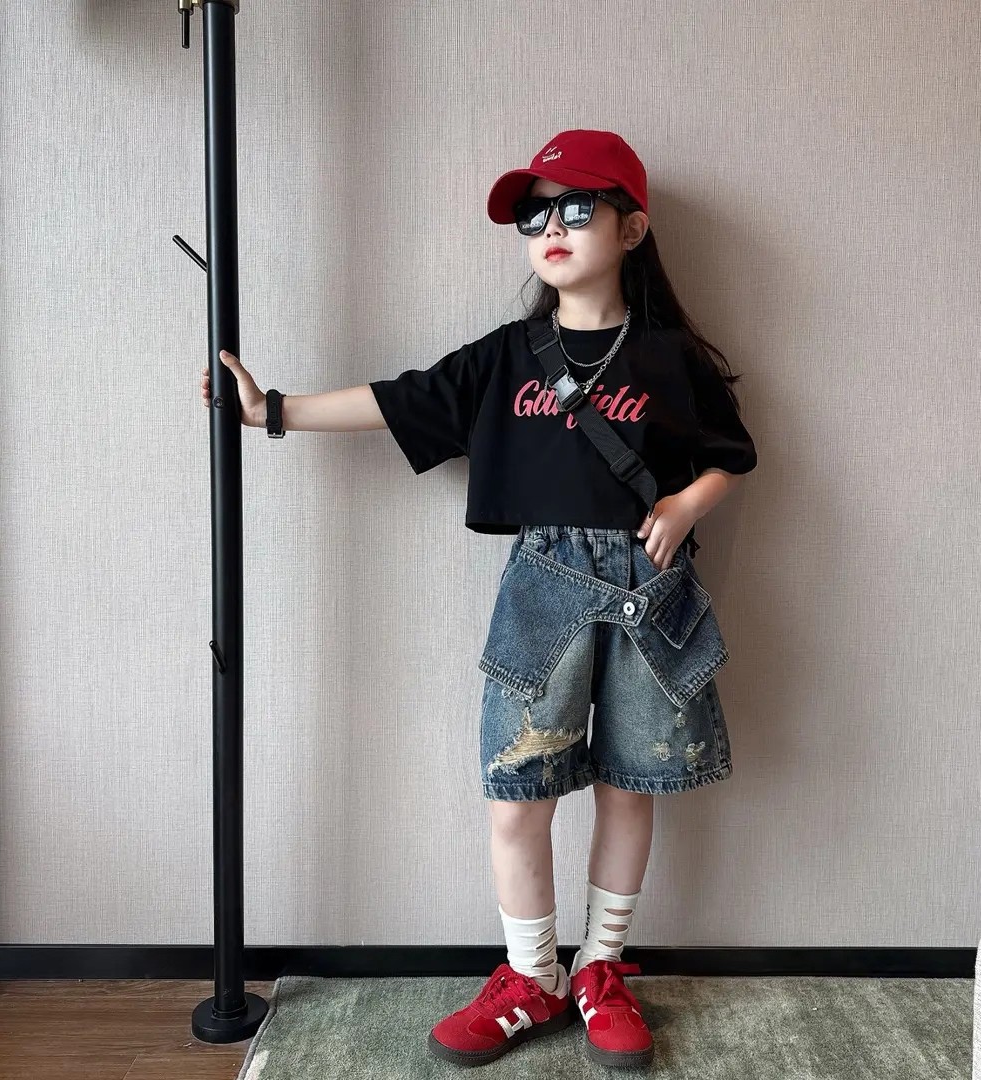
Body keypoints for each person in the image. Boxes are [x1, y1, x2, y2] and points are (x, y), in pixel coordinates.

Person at [198, 128, 757, 1070]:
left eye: (576, 208)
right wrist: (273, 411)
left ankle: (601, 970)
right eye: (534, 216)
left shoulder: (670, 358)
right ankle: (532, 977)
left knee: (631, 787)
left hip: (649, 592)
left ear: (631, 227)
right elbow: (401, 398)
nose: (551, 228)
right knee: (516, 793)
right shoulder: (509, 357)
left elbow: (733, 454)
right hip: (543, 592)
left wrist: (685, 502)